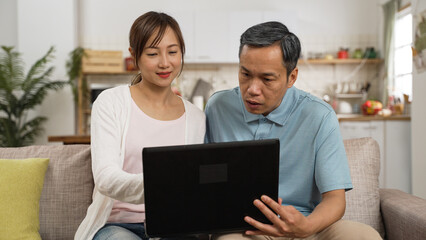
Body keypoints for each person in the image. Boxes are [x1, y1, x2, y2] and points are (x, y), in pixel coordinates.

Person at [205, 21, 381, 240]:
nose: (252, 89)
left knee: (364, 236)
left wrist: (306, 226)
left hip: (307, 225)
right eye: (245, 74)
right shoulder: (218, 107)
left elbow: (335, 199)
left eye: (267, 79)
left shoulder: (320, 116)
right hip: (246, 229)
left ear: (292, 77)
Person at [75, 11, 205, 240]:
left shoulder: (196, 117)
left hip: (173, 227)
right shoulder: (111, 103)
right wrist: (162, 183)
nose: (165, 63)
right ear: (134, 55)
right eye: (153, 53)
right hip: (117, 227)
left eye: (173, 52)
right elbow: (106, 178)